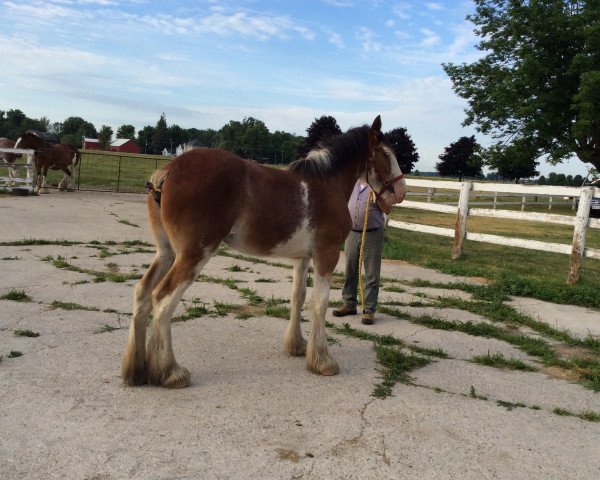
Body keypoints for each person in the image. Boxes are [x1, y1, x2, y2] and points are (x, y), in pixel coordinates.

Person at [333, 180, 385, 325]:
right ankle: (349, 304)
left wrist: (378, 197)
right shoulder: (351, 183)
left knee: (371, 273)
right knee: (350, 269)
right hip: (351, 233)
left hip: (372, 233)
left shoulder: (376, 186)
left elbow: (388, 209)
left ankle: (369, 310)